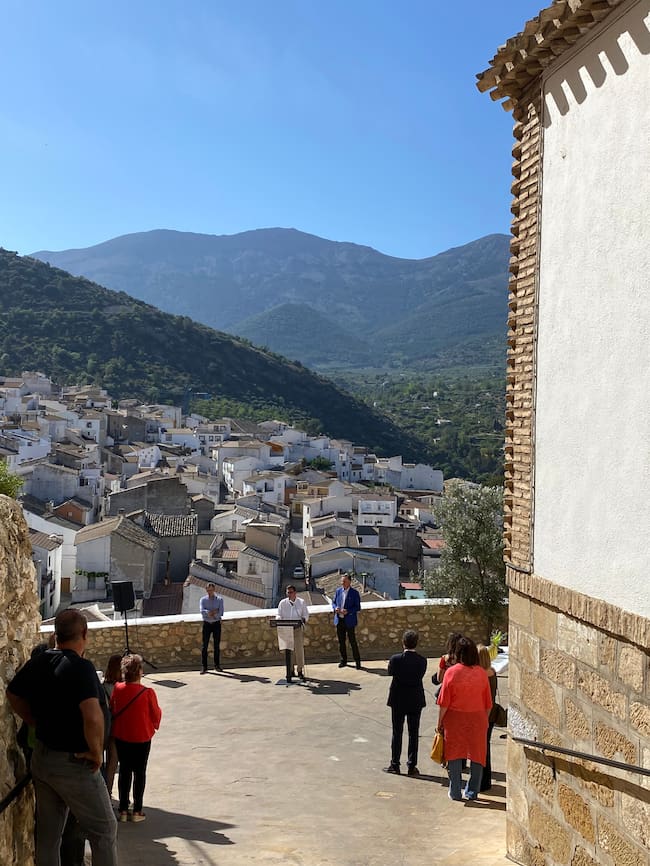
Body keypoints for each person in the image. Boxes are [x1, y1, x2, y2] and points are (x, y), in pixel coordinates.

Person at [6, 609, 118, 866]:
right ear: (84, 635)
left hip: (43, 760)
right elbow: (92, 715)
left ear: (56, 634)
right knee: (104, 832)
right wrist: (94, 751)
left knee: (48, 836)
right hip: (74, 764)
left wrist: (33, 720)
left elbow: (13, 694)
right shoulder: (81, 668)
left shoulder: (40, 661)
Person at [436, 636, 492, 801]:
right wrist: (484, 720)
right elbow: (488, 703)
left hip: (455, 719)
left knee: (453, 754)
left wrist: (439, 723)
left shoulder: (451, 672)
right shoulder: (482, 673)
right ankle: (472, 791)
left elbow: (444, 702)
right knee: (477, 755)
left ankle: (455, 791)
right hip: (478, 718)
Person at [110, 654, 162, 823]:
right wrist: (153, 725)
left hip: (122, 735)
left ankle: (123, 809)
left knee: (125, 771)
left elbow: (113, 708)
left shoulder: (117, 688)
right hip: (142, 736)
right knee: (140, 772)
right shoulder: (147, 692)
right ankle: (138, 810)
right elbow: (156, 714)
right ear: (139, 671)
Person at [384, 629, 427, 776]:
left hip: (398, 699)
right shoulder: (422, 661)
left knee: (397, 732)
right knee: (413, 734)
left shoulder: (396, 659)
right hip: (415, 699)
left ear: (403, 642)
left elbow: (390, 672)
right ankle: (411, 765)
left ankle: (395, 764)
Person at [276, 584, 309, 682]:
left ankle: (300, 670)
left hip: (297, 629)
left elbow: (305, 614)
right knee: (289, 651)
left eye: (290, 592)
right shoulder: (282, 603)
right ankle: (290, 670)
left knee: (299, 650)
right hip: (286, 629)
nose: (289, 594)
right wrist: (278, 620)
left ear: (295, 593)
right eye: (287, 593)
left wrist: (303, 619)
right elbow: (279, 614)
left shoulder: (301, 602)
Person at [477, 644, 498, 791]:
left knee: (481, 748)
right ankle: (486, 780)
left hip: (484, 714)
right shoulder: (492, 671)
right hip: (491, 714)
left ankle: (482, 782)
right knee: (486, 746)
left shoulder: (481, 675)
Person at [102, 654, 123, 795]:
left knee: (110, 763)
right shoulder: (121, 687)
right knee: (117, 764)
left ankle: (107, 794)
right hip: (120, 728)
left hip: (108, 728)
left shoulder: (103, 686)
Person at [332, 573, 362, 669]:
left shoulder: (354, 593)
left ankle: (357, 661)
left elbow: (358, 607)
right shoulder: (338, 591)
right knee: (341, 642)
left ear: (349, 582)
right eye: (342, 581)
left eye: (344, 581)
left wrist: (348, 611)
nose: (342, 583)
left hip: (349, 621)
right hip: (339, 620)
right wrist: (335, 608)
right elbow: (333, 602)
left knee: (352, 641)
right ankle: (343, 660)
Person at [200, 582, 224, 673]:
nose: (209, 592)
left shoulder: (219, 600)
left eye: (211, 590)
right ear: (206, 590)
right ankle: (204, 666)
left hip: (216, 624)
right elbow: (202, 611)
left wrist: (211, 614)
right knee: (204, 646)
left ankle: (217, 665)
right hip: (206, 624)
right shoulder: (203, 600)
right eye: (208, 590)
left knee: (216, 646)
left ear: (214, 590)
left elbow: (221, 612)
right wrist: (213, 612)